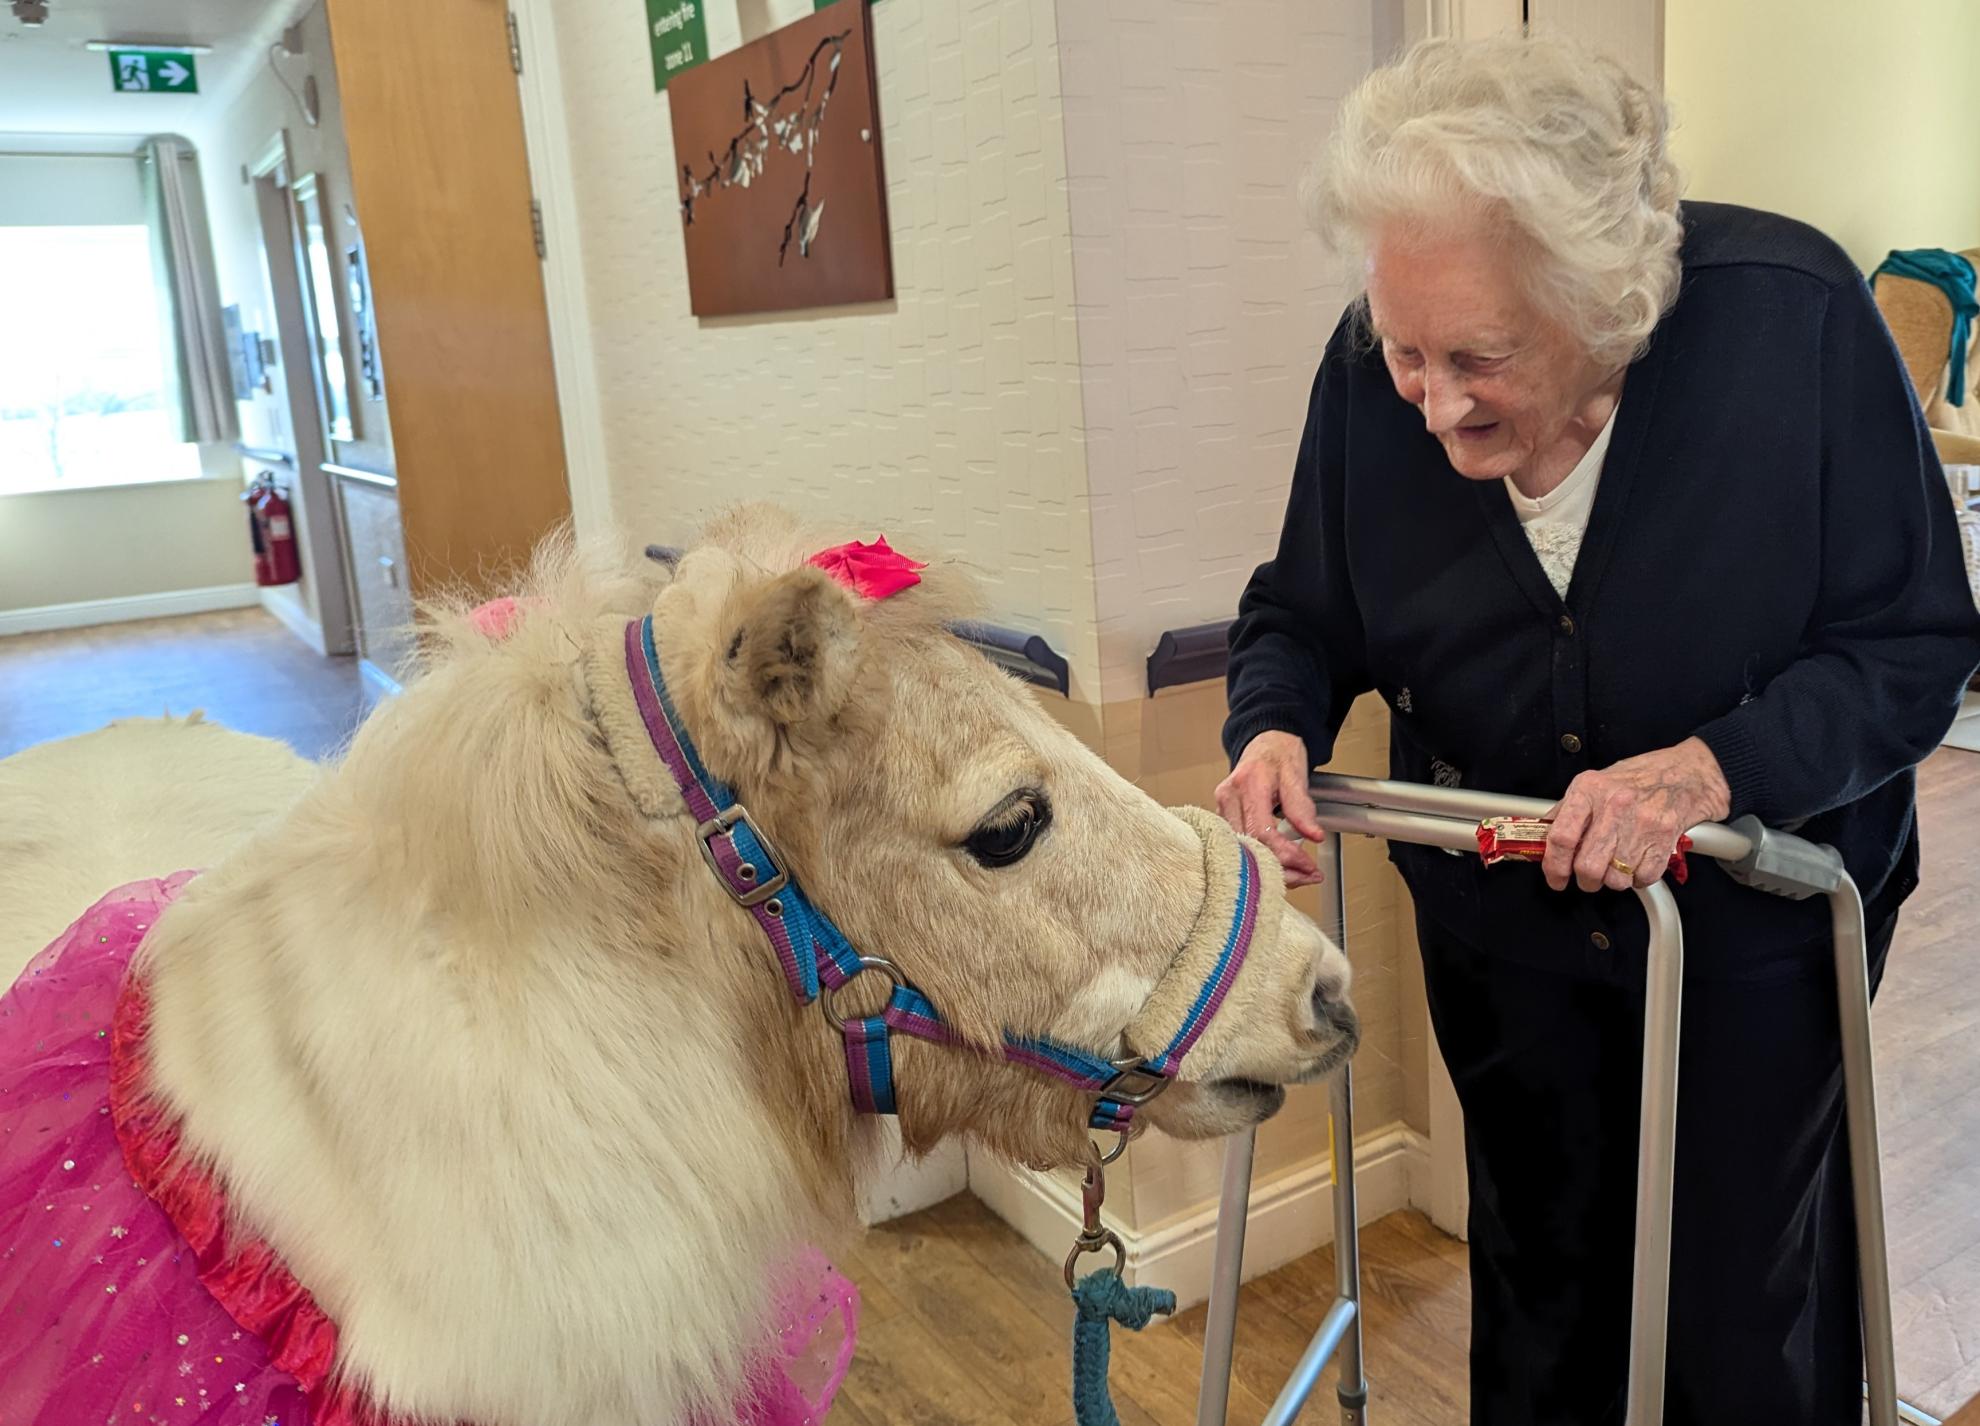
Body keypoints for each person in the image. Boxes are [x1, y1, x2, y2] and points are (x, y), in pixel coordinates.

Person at [1216, 32, 1980, 1425]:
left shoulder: (1796, 326)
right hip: (1502, 942)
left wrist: (1714, 767)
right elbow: (1301, 610)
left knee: (1741, 1306)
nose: (1433, 401)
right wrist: (1272, 726)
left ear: (1606, 308)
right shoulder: (1365, 379)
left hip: (1756, 941)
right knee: (1541, 1284)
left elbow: (1913, 644)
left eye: (1478, 357)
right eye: (1405, 350)